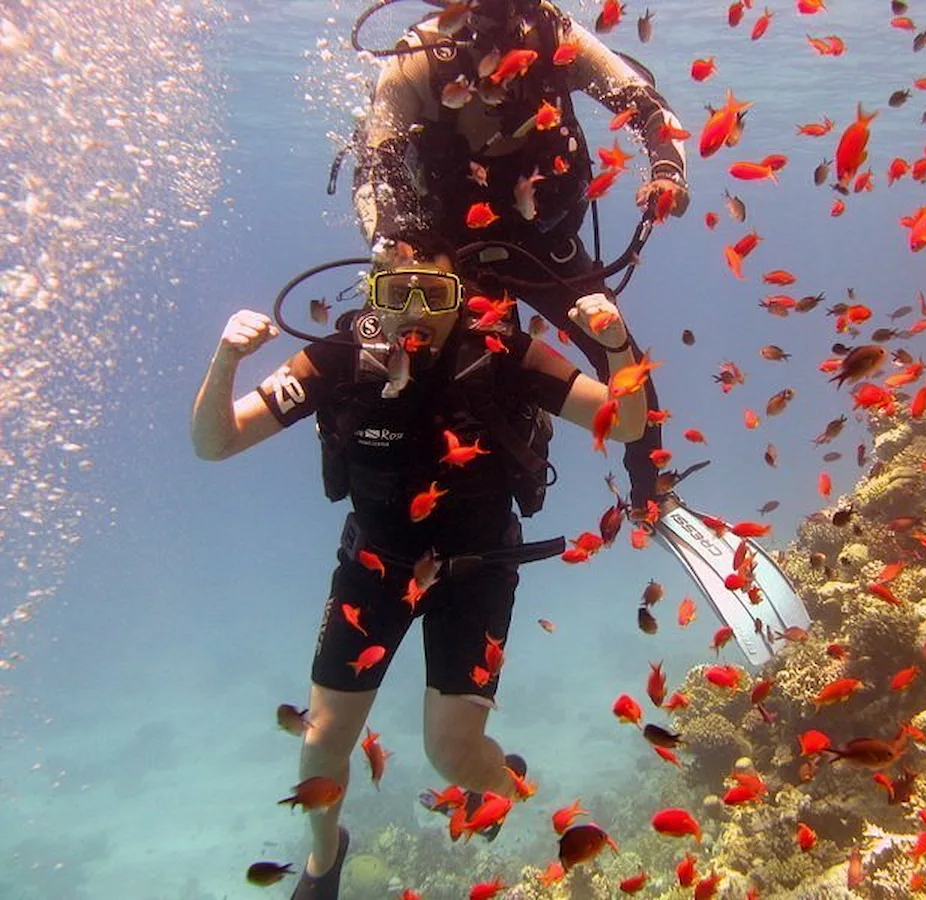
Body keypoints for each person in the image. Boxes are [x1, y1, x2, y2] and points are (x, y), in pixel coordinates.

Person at [190, 229, 648, 900]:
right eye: (396, 292)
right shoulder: (339, 359)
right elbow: (215, 442)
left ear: (460, 296)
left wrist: (616, 345)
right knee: (322, 743)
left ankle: (503, 783)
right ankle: (323, 859)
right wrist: (226, 357)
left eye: (434, 294)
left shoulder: (503, 353)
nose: (415, 312)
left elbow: (626, 424)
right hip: (375, 566)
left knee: (451, 756)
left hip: (476, 568)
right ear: (371, 293)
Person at [351, 0, 688, 510]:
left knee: (624, 363)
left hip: (545, 245)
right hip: (448, 259)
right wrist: (395, 251)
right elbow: (375, 163)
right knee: (418, 376)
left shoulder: (556, 36)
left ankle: (648, 494)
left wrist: (667, 173)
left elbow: (646, 106)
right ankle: (409, 510)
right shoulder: (419, 57)